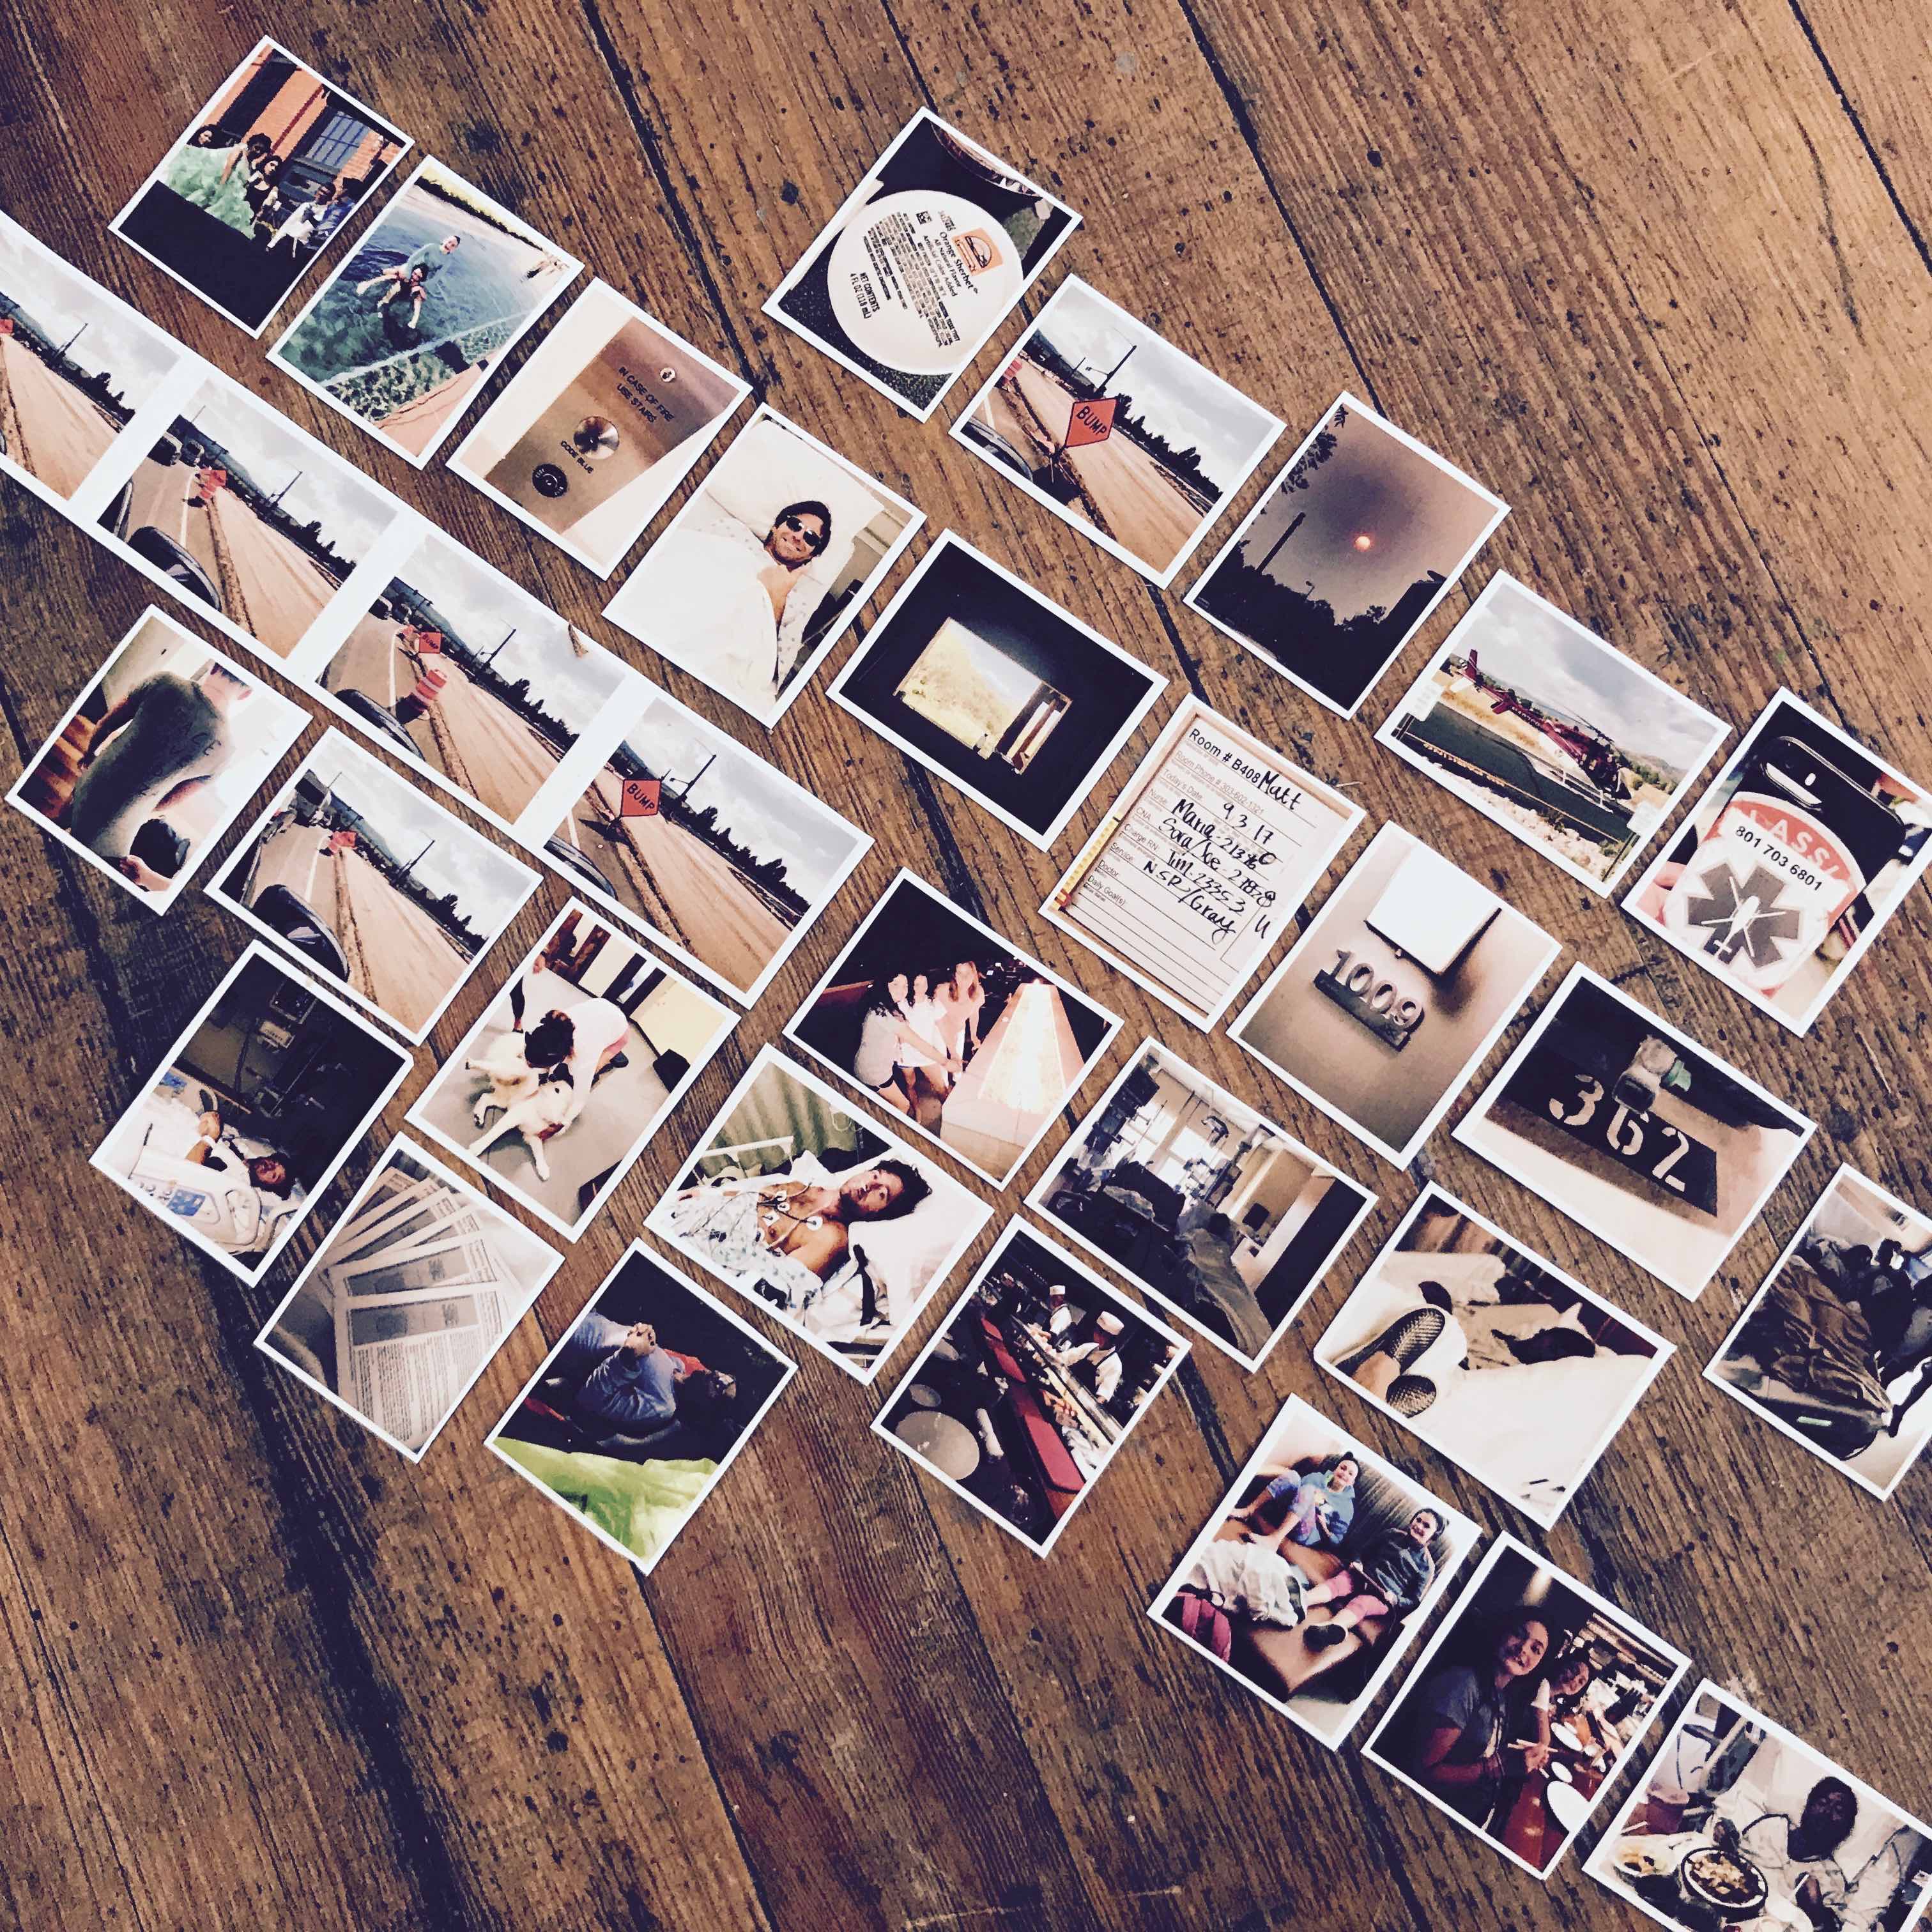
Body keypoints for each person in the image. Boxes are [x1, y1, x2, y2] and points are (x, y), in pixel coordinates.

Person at [663, 1155, 931, 1336]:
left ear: (880, 1215)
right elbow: (747, 1194)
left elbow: (777, 1287)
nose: (869, 1185)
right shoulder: (801, 1185)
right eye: (875, 1175)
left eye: (881, 1194)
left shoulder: (832, 1237)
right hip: (688, 1214)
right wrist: (710, 1193)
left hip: (702, 1250)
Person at [636, 496, 835, 712]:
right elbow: (680, 553)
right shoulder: (733, 531)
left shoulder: (797, 602)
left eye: (810, 538)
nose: (798, 536)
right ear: (777, 525)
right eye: (795, 525)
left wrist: (775, 598)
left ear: (811, 556)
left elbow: (773, 670)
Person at [64, 659, 251, 887]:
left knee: (69, 815)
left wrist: (89, 754)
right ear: (246, 694)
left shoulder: (165, 682)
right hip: (118, 828)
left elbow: (107, 723)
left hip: (92, 784)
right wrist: (141, 807)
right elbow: (170, 801)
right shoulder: (226, 750)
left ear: (214, 666)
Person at [1399, 1613, 1552, 1825]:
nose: (1524, 1649)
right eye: (1518, 1634)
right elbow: (1422, 1773)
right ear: (1503, 1632)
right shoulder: (1463, 1685)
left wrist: (1516, 1758)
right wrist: (1499, 1766)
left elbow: (1482, 1748)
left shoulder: (1501, 1694)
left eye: (1536, 1649)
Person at [1707, 1774, 1859, 1929]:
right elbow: (1732, 1861)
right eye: (1823, 1802)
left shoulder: (1832, 1880)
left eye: (1839, 1811)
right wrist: (1725, 1841)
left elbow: (1827, 1928)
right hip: (1721, 1910)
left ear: (1845, 1830)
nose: (1827, 1812)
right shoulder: (1772, 1827)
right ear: (1808, 1805)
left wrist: (1816, 1912)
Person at [1296, 1507, 1443, 1648]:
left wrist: (1396, 1600)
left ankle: (1334, 1628)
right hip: (1362, 1577)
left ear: (1434, 1536)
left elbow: (1414, 1601)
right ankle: (1303, 1599)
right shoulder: (1392, 1534)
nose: (1419, 1526)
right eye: (1418, 1520)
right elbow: (1362, 1551)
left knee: (1363, 1603)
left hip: (1382, 1597)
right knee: (1340, 1583)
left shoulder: (1427, 1567)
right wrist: (1358, 1562)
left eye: (1426, 1526)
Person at [850, 973, 962, 1117]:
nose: (901, 990)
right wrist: (945, 1062)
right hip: (874, 1072)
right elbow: (917, 1042)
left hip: (876, 1067)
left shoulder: (886, 1006)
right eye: (895, 984)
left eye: (905, 986)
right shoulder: (886, 1012)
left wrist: (953, 1052)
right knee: (903, 1105)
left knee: (897, 1104)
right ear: (885, 986)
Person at [1231, 1455, 1360, 1550]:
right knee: (1293, 1476)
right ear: (1335, 1469)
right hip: (1289, 1513)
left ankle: (1275, 1540)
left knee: (1309, 1490)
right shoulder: (1316, 1478)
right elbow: (1297, 1492)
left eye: (1350, 1474)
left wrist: (1325, 1528)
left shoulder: (1347, 1507)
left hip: (1308, 1533)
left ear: (1352, 1482)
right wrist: (1309, 1496)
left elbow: (1337, 1541)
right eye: (1343, 1468)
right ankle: (1249, 1511)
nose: (1345, 1474)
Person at [358, 234, 462, 327]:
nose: (449, 245)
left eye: (453, 245)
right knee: (394, 276)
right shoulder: (432, 247)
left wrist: (421, 284)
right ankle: (368, 285)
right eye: (449, 242)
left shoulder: (448, 261)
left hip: (421, 277)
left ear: (454, 249)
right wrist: (408, 275)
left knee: (418, 295)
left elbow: (436, 279)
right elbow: (412, 259)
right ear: (445, 240)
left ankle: (414, 320)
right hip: (411, 268)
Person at [1054, 1309, 1128, 1404]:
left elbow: (1103, 1396)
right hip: (1061, 1387)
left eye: (1099, 1333)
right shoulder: (1089, 1347)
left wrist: (1090, 1407)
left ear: (1109, 1338)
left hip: (1079, 1403)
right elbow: (1064, 1358)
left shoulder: (1115, 1365)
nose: (1095, 1334)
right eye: (1096, 1331)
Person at [933, 959, 986, 1070]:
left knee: (958, 1065)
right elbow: (940, 1021)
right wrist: (952, 1052)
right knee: (942, 1067)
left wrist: (974, 1036)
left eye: (968, 974)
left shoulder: (978, 992)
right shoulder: (943, 991)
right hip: (940, 1032)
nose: (964, 978)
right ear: (955, 975)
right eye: (960, 974)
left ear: (974, 975)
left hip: (960, 1030)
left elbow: (974, 1013)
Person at [265, 181, 339, 258]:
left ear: (329, 198)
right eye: (321, 191)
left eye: (326, 194)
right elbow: (288, 224)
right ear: (318, 191)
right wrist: (272, 243)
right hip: (284, 240)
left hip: (298, 247)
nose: (321, 194)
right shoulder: (305, 205)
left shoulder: (324, 214)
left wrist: (310, 217)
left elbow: (314, 229)